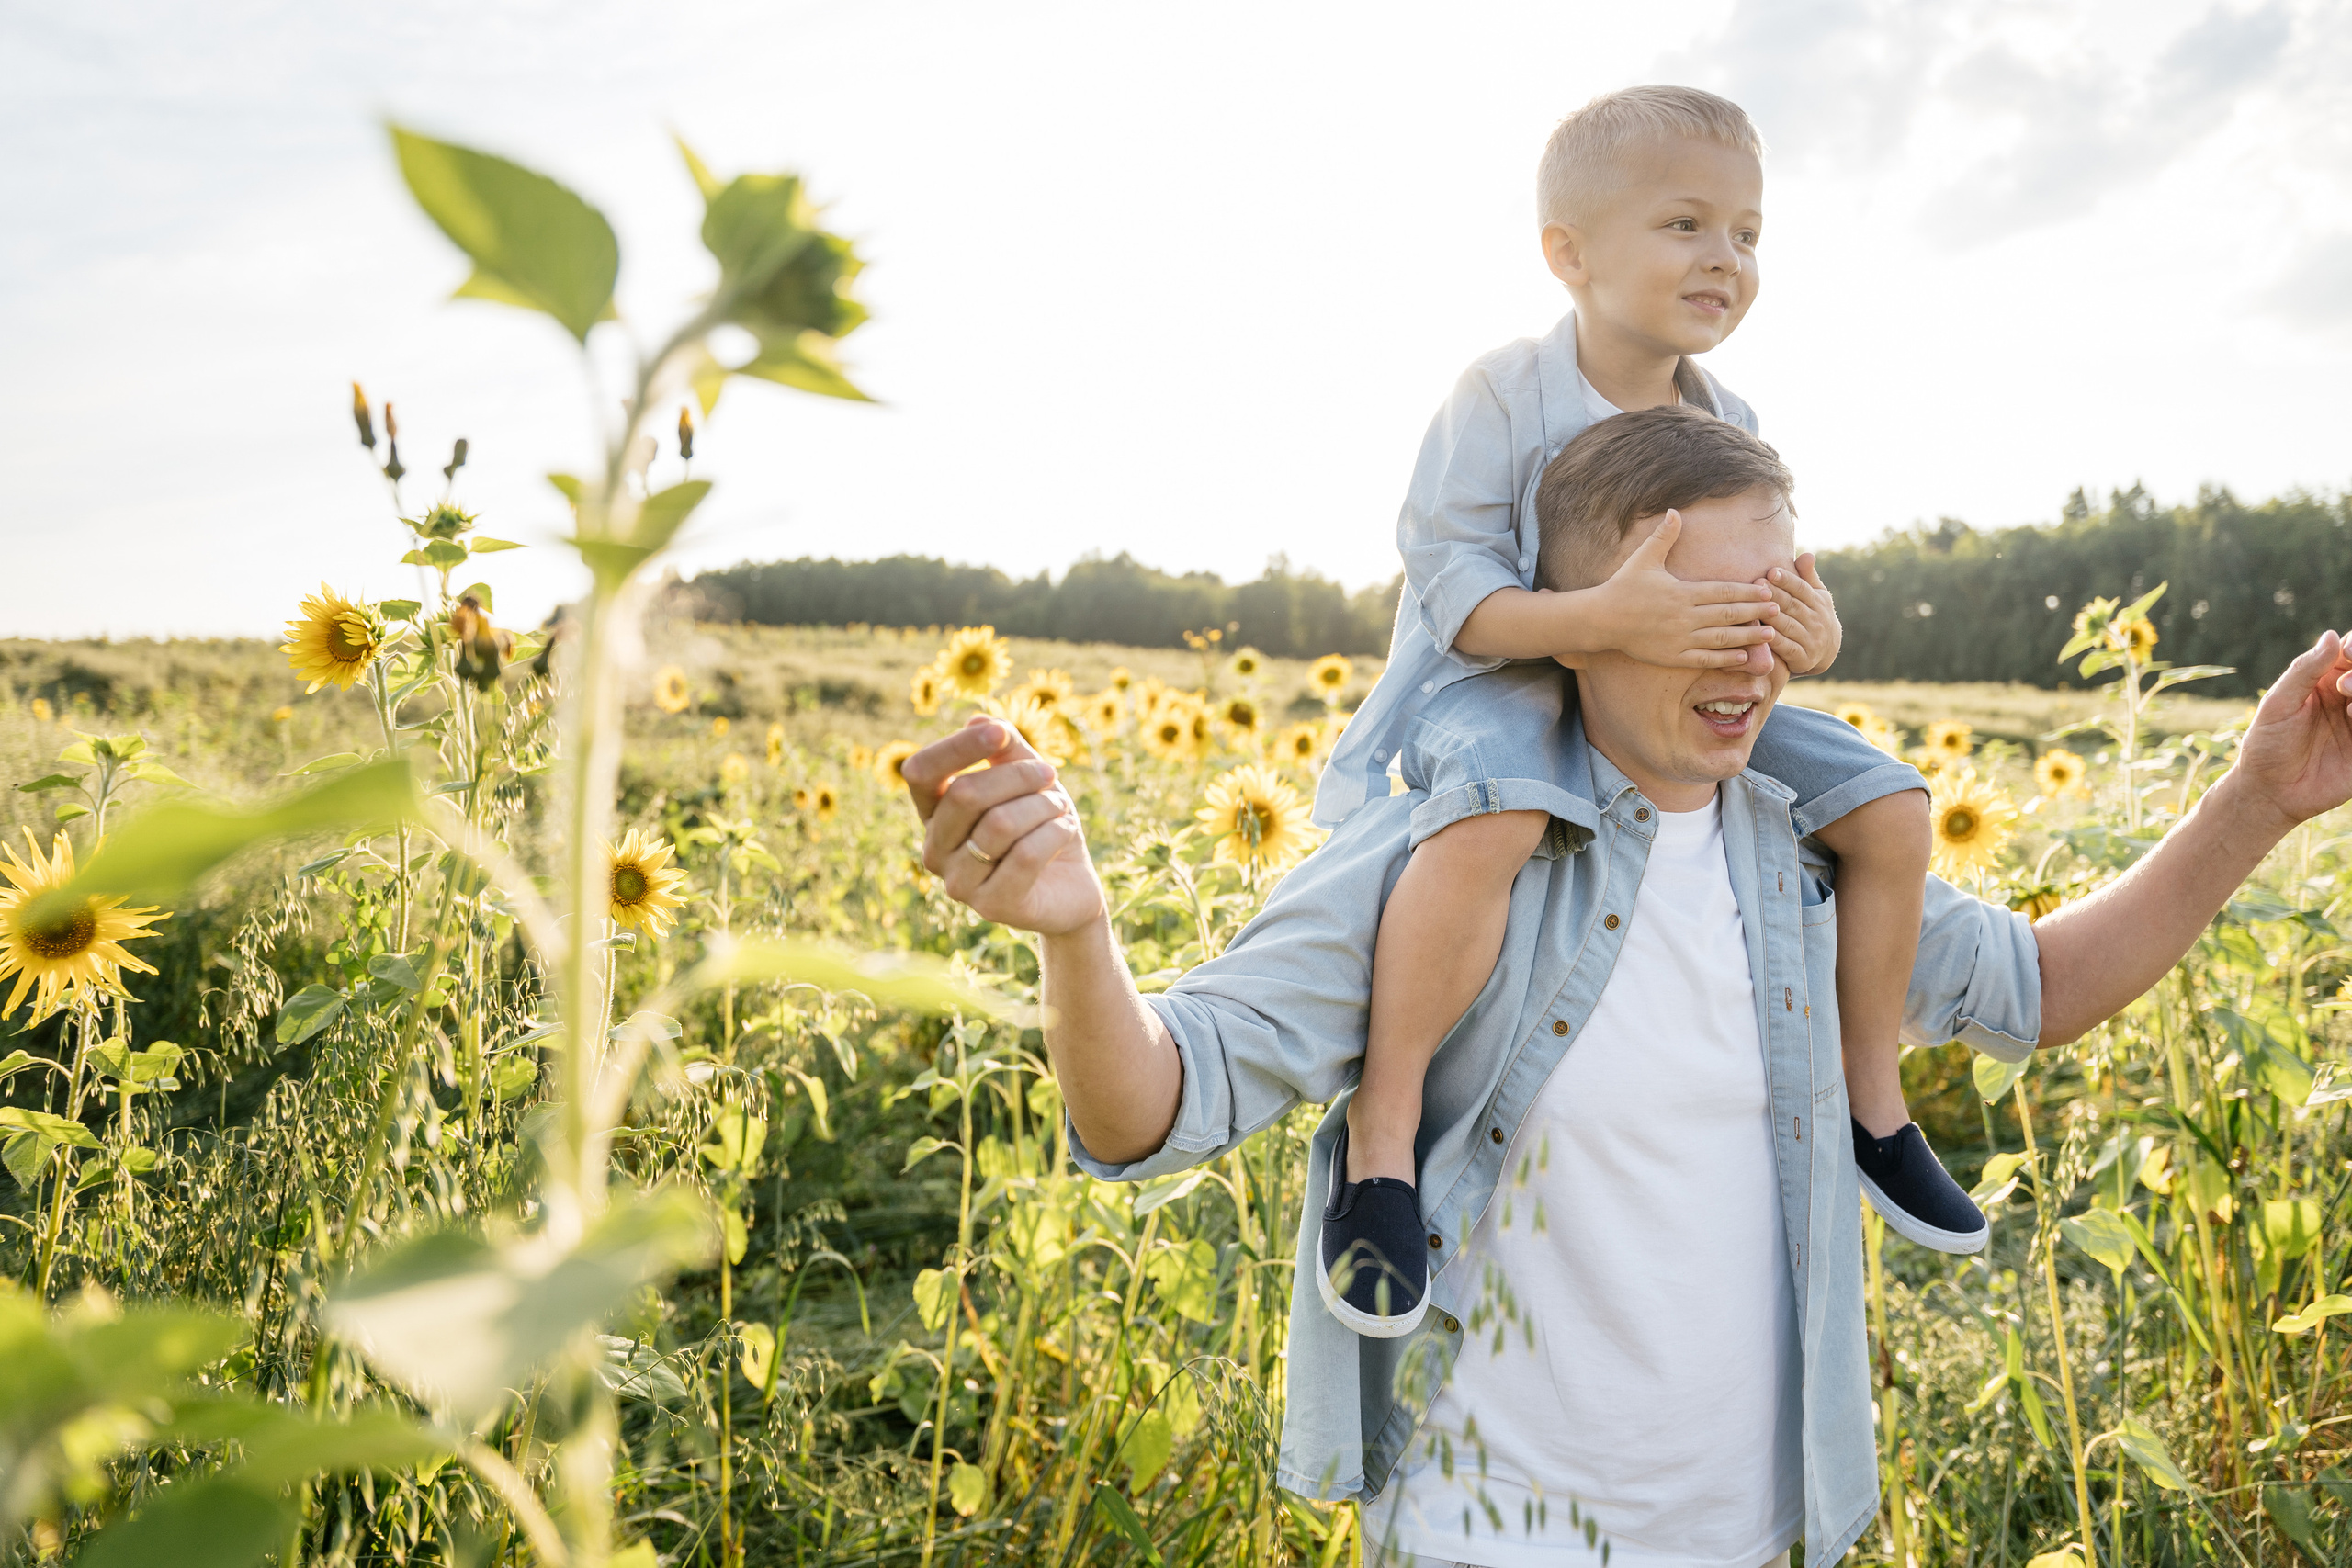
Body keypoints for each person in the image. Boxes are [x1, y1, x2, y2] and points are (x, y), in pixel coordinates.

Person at [899, 406, 2352, 1567]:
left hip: (1762, 1527)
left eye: (1775, 607)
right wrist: (1077, 938)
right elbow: (1159, 1102)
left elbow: (2036, 985)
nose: (1749, 655)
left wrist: (2259, 798)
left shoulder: (1805, 857)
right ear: (1582, 619)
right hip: (1489, 1531)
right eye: (1697, 610)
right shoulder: (1445, 858)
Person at [1315, 85, 1974, 1341]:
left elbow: (1778, 590)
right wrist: (1603, 623)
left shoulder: (1730, 420)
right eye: (1686, 224)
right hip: (1497, 685)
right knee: (1489, 828)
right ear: (1569, 252)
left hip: (1682, 692)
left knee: (1889, 810)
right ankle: (1385, 1138)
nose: (1726, 257)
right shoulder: (1503, 395)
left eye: (1748, 233)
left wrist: (1810, 635)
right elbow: (1455, 594)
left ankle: (1873, 1108)